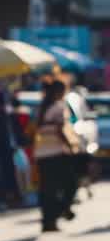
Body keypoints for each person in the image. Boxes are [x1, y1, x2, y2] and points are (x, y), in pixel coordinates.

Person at [31, 79, 79, 232]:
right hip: (57, 151)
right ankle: (62, 209)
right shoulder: (59, 106)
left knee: (47, 188)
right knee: (70, 183)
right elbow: (60, 129)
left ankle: (48, 222)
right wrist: (71, 146)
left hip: (41, 152)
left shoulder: (41, 107)